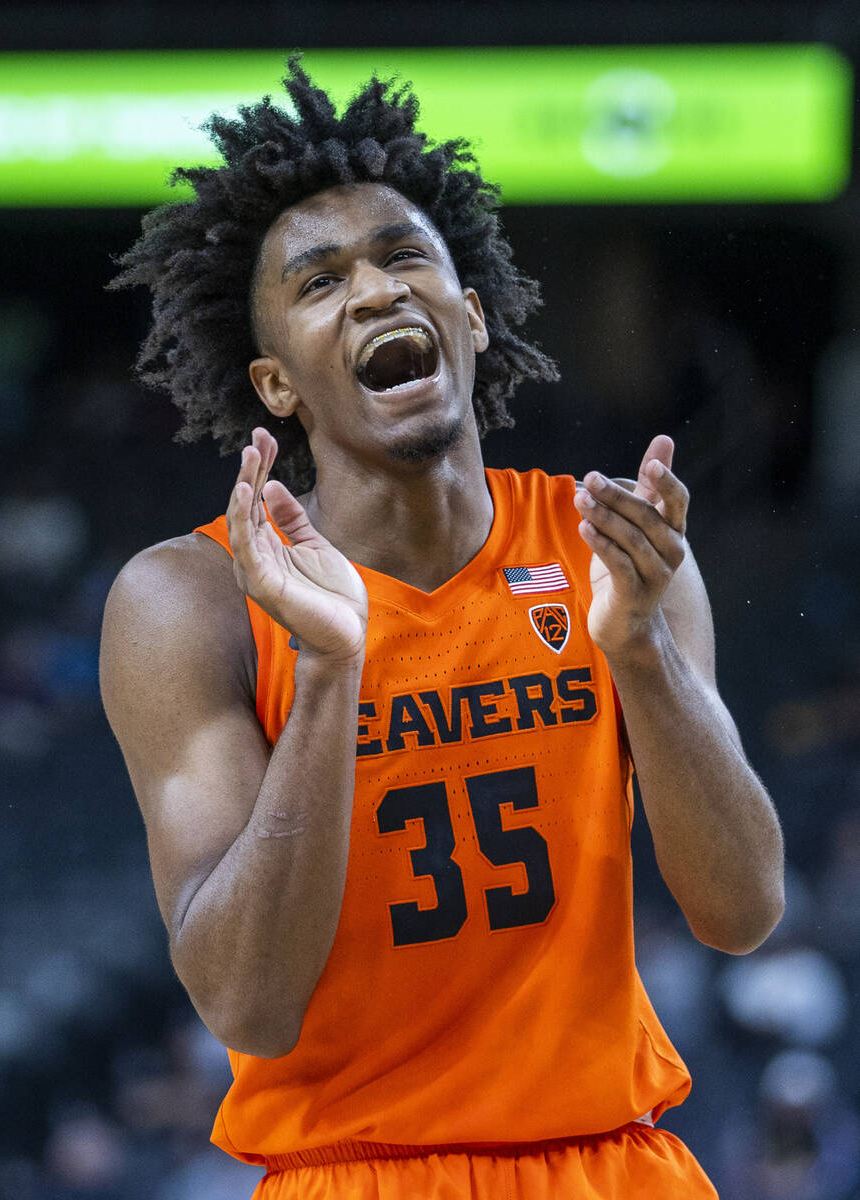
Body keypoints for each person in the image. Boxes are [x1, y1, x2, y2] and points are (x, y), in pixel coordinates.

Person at [100, 58, 785, 1199]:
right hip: (353, 1171)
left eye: (404, 256)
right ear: (276, 386)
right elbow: (248, 1004)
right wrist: (329, 670)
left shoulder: (607, 547)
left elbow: (742, 912)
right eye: (321, 283)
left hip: (614, 1162)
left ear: (468, 316)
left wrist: (640, 653)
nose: (376, 293)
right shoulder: (192, 599)